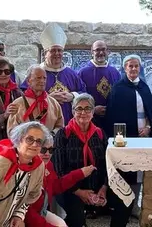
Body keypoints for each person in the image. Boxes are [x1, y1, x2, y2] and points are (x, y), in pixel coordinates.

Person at [55, 94, 131, 227]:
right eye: (79, 109)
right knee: (76, 217)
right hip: (71, 188)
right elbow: (59, 170)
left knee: (126, 199)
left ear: (93, 112)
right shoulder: (63, 134)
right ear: (73, 112)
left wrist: (104, 188)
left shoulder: (100, 133)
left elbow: (109, 164)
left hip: (98, 185)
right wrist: (79, 192)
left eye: (87, 108)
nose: (83, 112)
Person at [22, 23, 86, 123]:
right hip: (43, 122)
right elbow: (24, 96)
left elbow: (84, 93)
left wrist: (73, 96)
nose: (57, 54)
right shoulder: (36, 73)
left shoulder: (71, 74)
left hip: (69, 123)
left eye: (59, 50)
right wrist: (47, 98)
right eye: (53, 50)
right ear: (45, 54)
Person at [25, 139, 95, 227]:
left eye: (51, 150)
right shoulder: (27, 171)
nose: (47, 154)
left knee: (62, 224)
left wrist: (80, 173)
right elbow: (27, 212)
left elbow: (56, 187)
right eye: (43, 150)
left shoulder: (48, 165)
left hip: (40, 211)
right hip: (24, 215)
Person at [105, 55, 152, 139]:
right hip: (125, 135)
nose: (134, 68)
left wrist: (148, 128)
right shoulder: (117, 88)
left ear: (139, 68)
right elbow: (112, 115)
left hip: (144, 134)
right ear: (125, 68)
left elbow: (151, 113)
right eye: (130, 66)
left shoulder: (144, 87)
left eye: (136, 66)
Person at [76, 40, 121, 129]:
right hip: (90, 119)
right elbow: (79, 96)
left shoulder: (115, 72)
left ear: (108, 52)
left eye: (103, 49)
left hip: (111, 119)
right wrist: (92, 109)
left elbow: (120, 95)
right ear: (92, 52)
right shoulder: (83, 73)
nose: (101, 52)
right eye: (97, 50)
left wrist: (112, 108)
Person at [8, 65, 65, 134]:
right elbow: (11, 131)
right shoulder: (18, 104)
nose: (42, 81)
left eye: (44, 78)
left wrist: (51, 135)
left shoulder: (54, 103)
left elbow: (60, 126)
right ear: (28, 81)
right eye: (38, 78)